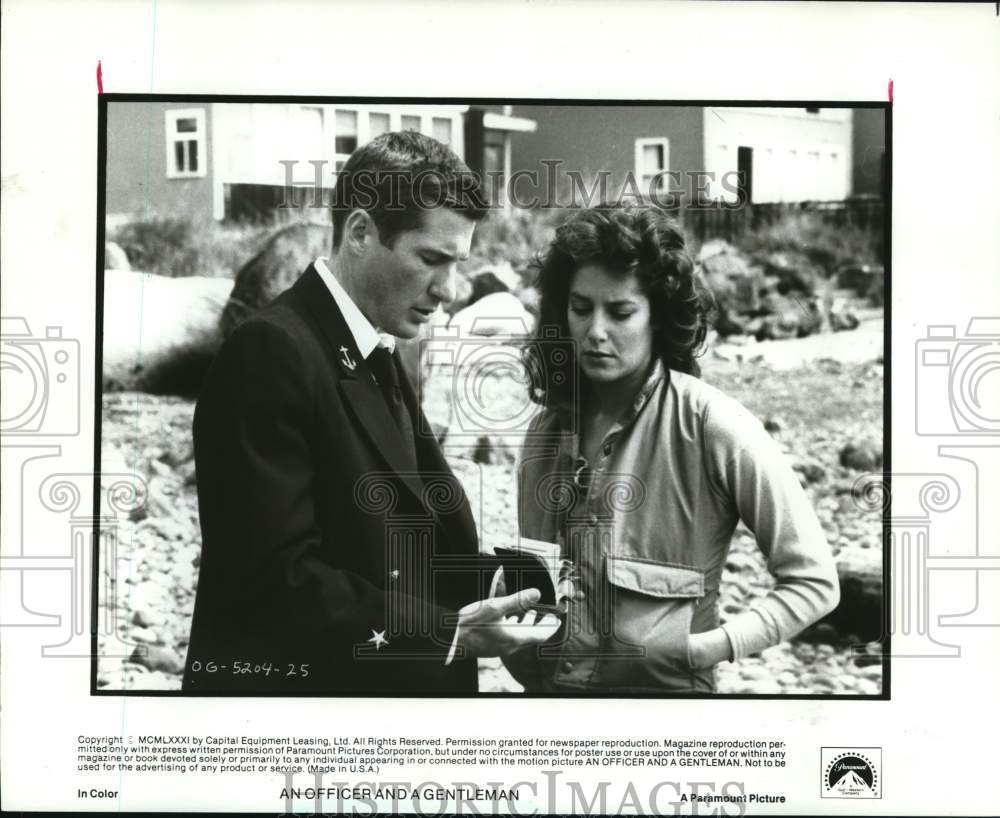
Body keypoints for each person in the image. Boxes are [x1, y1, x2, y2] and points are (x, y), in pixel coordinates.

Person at [183, 131, 556, 694]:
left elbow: (406, 543)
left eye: (457, 263)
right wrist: (448, 634)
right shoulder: (271, 352)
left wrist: (514, 584)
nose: (450, 288)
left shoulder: (372, 345)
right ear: (359, 231)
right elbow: (272, 581)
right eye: (431, 259)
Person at [506, 205, 840, 693]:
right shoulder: (545, 432)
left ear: (658, 317)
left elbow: (814, 581)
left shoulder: (714, 425)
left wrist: (710, 647)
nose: (595, 331)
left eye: (620, 312)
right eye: (581, 309)